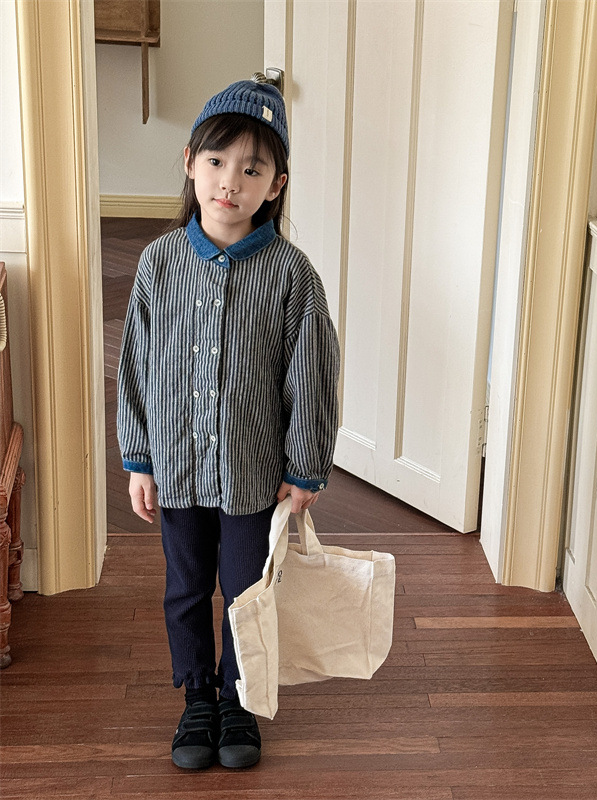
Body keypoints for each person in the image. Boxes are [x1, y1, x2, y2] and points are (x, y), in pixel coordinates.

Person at [116, 74, 340, 771]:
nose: (230, 182)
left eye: (252, 169)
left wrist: (305, 469)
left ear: (276, 185)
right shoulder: (157, 265)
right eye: (217, 161)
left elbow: (312, 375)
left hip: (253, 476)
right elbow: (134, 367)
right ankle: (197, 697)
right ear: (190, 162)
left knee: (248, 593)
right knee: (185, 589)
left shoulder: (292, 275)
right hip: (178, 471)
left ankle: (239, 697)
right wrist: (139, 458)